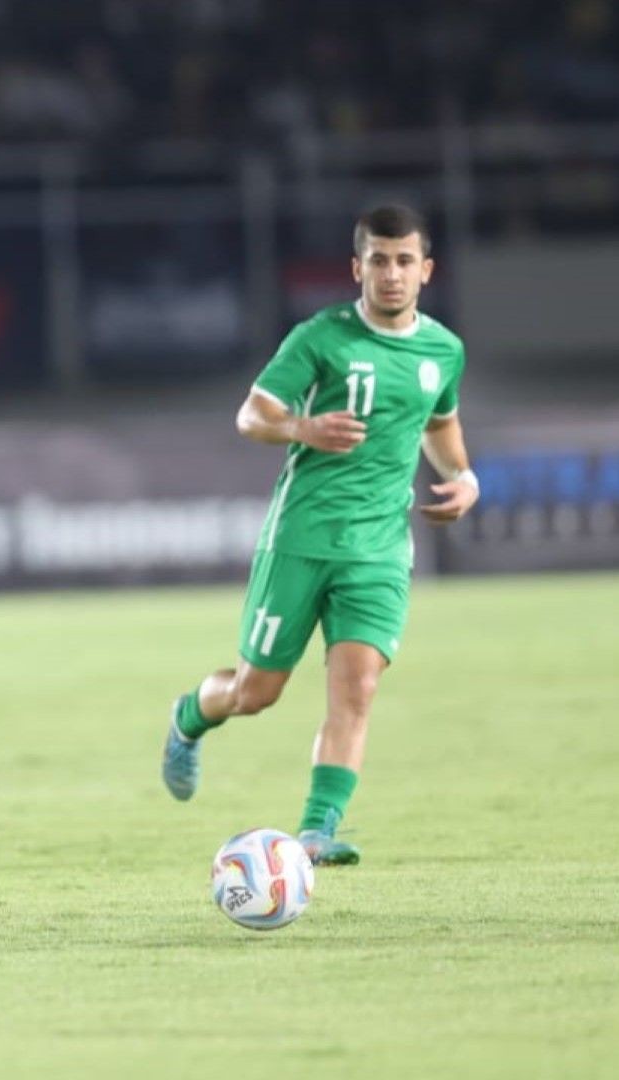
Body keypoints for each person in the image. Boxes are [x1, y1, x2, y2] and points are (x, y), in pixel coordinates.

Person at [161, 204, 480, 865]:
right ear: (357, 266)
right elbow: (254, 414)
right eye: (378, 260)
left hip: (380, 550)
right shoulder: (320, 337)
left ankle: (316, 831)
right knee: (257, 693)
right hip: (301, 539)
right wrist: (303, 428)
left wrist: (465, 477)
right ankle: (190, 714)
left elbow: (439, 421)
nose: (391, 274)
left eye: (403, 261)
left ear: (425, 270)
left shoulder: (443, 350)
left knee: (357, 685)